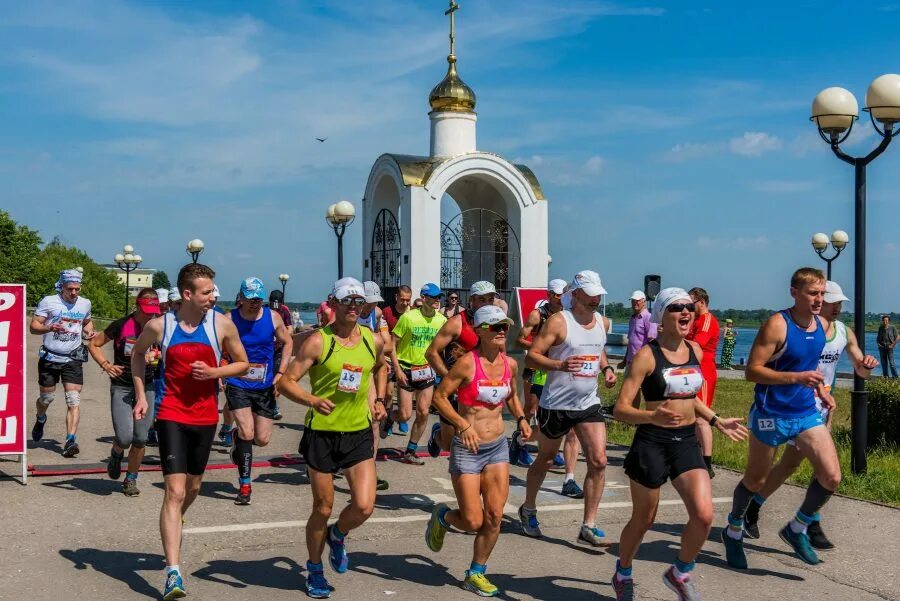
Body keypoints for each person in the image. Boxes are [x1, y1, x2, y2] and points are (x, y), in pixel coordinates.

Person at [612, 287, 747, 601]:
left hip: (686, 441)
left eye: (689, 307)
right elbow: (621, 409)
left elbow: (690, 398)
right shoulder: (648, 355)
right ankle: (623, 572)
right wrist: (650, 417)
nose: (686, 312)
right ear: (662, 315)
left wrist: (715, 420)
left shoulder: (694, 352)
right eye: (677, 308)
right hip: (652, 443)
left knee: (703, 515)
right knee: (644, 519)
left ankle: (680, 572)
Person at [131, 263, 249, 600]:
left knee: (194, 487)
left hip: (205, 415)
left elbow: (242, 363)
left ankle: (171, 522)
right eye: (207, 292)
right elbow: (137, 356)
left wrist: (214, 371)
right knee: (175, 491)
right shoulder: (159, 325)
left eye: (213, 290)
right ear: (187, 294)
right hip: (170, 413)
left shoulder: (221, 325)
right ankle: (173, 572)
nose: (214, 296)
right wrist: (142, 396)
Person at [721, 267, 841, 570]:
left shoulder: (822, 324)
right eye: (812, 293)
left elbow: (812, 367)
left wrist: (822, 389)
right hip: (769, 414)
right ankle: (734, 529)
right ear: (794, 293)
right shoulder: (777, 324)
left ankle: (797, 528)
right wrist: (794, 377)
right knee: (756, 479)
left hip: (804, 412)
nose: (818, 299)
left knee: (831, 476)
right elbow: (752, 371)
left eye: (821, 294)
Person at [744, 281, 878, 550]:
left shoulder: (843, 332)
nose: (837, 307)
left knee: (811, 467)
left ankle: (805, 520)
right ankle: (752, 508)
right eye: (833, 301)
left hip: (817, 408)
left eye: (840, 303)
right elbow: (760, 367)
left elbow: (860, 371)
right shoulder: (800, 328)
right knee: (778, 468)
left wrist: (867, 366)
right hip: (786, 403)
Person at [276, 277, 387, 600]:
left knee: (364, 506)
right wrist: (312, 401)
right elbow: (287, 383)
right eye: (347, 301)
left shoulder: (370, 339)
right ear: (333, 304)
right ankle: (314, 568)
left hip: (358, 433)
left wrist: (379, 399)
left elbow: (380, 367)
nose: (353, 307)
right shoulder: (317, 342)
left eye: (358, 301)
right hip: (322, 435)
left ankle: (338, 536)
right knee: (323, 507)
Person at [426, 305, 530, 598]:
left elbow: (510, 397)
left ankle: (476, 573)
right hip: (468, 449)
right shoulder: (467, 364)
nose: (501, 332)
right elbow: (440, 397)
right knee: (473, 521)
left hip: (496, 447)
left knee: (495, 516)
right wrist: (461, 424)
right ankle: (443, 517)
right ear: (482, 331)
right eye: (495, 327)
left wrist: (521, 418)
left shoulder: (510, 364)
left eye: (504, 327)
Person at [520, 270, 617, 547]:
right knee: (547, 460)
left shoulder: (601, 321)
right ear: (575, 294)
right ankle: (528, 508)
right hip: (556, 404)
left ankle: (589, 524)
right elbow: (532, 357)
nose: (596, 298)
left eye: (599, 293)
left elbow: (598, 350)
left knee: (599, 461)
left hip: (588, 403)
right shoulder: (558, 322)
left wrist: (607, 368)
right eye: (590, 293)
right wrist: (559, 365)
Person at [223, 277, 293, 506]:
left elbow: (288, 342)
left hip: (264, 385)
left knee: (261, 439)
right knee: (247, 431)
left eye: (259, 299)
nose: (255, 303)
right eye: (251, 299)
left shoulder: (272, 318)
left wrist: (281, 373)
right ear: (240, 298)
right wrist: (220, 370)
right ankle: (245, 485)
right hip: (238, 383)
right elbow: (216, 344)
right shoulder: (229, 318)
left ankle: (236, 439)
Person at [87, 288, 161, 496]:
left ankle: (131, 479)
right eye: (147, 310)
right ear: (137, 306)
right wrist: (106, 365)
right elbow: (94, 343)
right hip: (122, 385)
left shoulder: (159, 326)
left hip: (147, 386)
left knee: (140, 438)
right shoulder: (121, 325)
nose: (151, 315)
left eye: (154, 310)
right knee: (125, 437)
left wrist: (157, 355)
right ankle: (116, 453)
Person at [513, 280, 581, 485]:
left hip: (556, 369)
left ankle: (551, 451)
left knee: (557, 414)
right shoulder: (537, 314)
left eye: (563, 295)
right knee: (531, 410)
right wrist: (539, 348)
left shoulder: (569, 314)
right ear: (550, 294)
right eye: (557, 295)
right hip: (536, 368)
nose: (560, 298)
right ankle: (520, 443)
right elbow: (518, 339)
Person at [424, 281, 497, 459]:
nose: (487, 303)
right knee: (449, 444)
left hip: (479, 390)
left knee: (477, 439)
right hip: (455, 390)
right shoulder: (457, 323)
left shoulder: (496, 322)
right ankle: (437, 434)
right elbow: (431, 353)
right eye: (482, 299)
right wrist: (450, 379)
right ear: (472, 300)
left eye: (491, 299)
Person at [29, 269, 96, 458]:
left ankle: (70, 440)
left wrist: (88, 333)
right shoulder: (49, 301)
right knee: (46, 399)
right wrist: (49, 327)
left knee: (73, 399)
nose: (74, 293)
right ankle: (41, 418)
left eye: (77, 288)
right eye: (70, 289)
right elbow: (33, 327)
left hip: (72, 358)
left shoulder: (85, 303)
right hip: (50, 357)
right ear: (62, 287)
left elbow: (87, 322)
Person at [382, 283, 447, 464]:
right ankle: (389, 418)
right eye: (433, 297)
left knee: (424, 412)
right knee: (404, 415)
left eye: (439, 297)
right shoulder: (409, 318)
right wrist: (397, 369)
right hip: (406, 368)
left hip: (427, 370)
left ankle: (410, 451)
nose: (437, 301)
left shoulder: (441, 320)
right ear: (424, 298)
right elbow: (392, 345)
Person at [360, 281, 394, 491]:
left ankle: (370, 470)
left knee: (374, 419)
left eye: (374, 302)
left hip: (369, 371)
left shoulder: (378, 314)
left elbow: (387, 343)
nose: (371, 306)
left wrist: (381, 356)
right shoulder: (344, 314)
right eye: (368, 302)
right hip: (346, 372)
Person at [686, 287, 721, 479]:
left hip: (704, 373)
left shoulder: (707, 320)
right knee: (689, 415)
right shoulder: (694, 319)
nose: (689, 307)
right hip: (691, 371)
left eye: (691, 303)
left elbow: (697, 345)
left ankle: (707, 462)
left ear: (701, 301)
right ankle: (694, 455)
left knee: (702, 418)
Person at [382, 285, 412, 434]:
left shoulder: (413, 313)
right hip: (388, 358)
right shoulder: (387, 312)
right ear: (396, 297)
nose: (405, 303)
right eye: (402, 299)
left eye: (408, 300)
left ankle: (402, 418)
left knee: (403, 392)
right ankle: (388, 417)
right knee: (388, 393)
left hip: (405, 358)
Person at [269, 289, 294, 421]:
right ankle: (266, 404)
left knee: (276, 378)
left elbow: (290, 328)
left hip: (279, 350)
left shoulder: (285, 311)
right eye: (273, 304)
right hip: (265, 350)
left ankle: (274, 407)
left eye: (278, 304)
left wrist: (282, 336)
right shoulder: (265, 310)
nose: (276, 307)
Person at [622, 290, 657, 368]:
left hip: (642, 363)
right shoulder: (632, 318)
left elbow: (652, 342)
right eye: (633, 301)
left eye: (637, 301)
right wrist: (624, 361)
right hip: (630, 361)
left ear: (644, 302)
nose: (635, 303)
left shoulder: (649, 318)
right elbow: (630, 342)